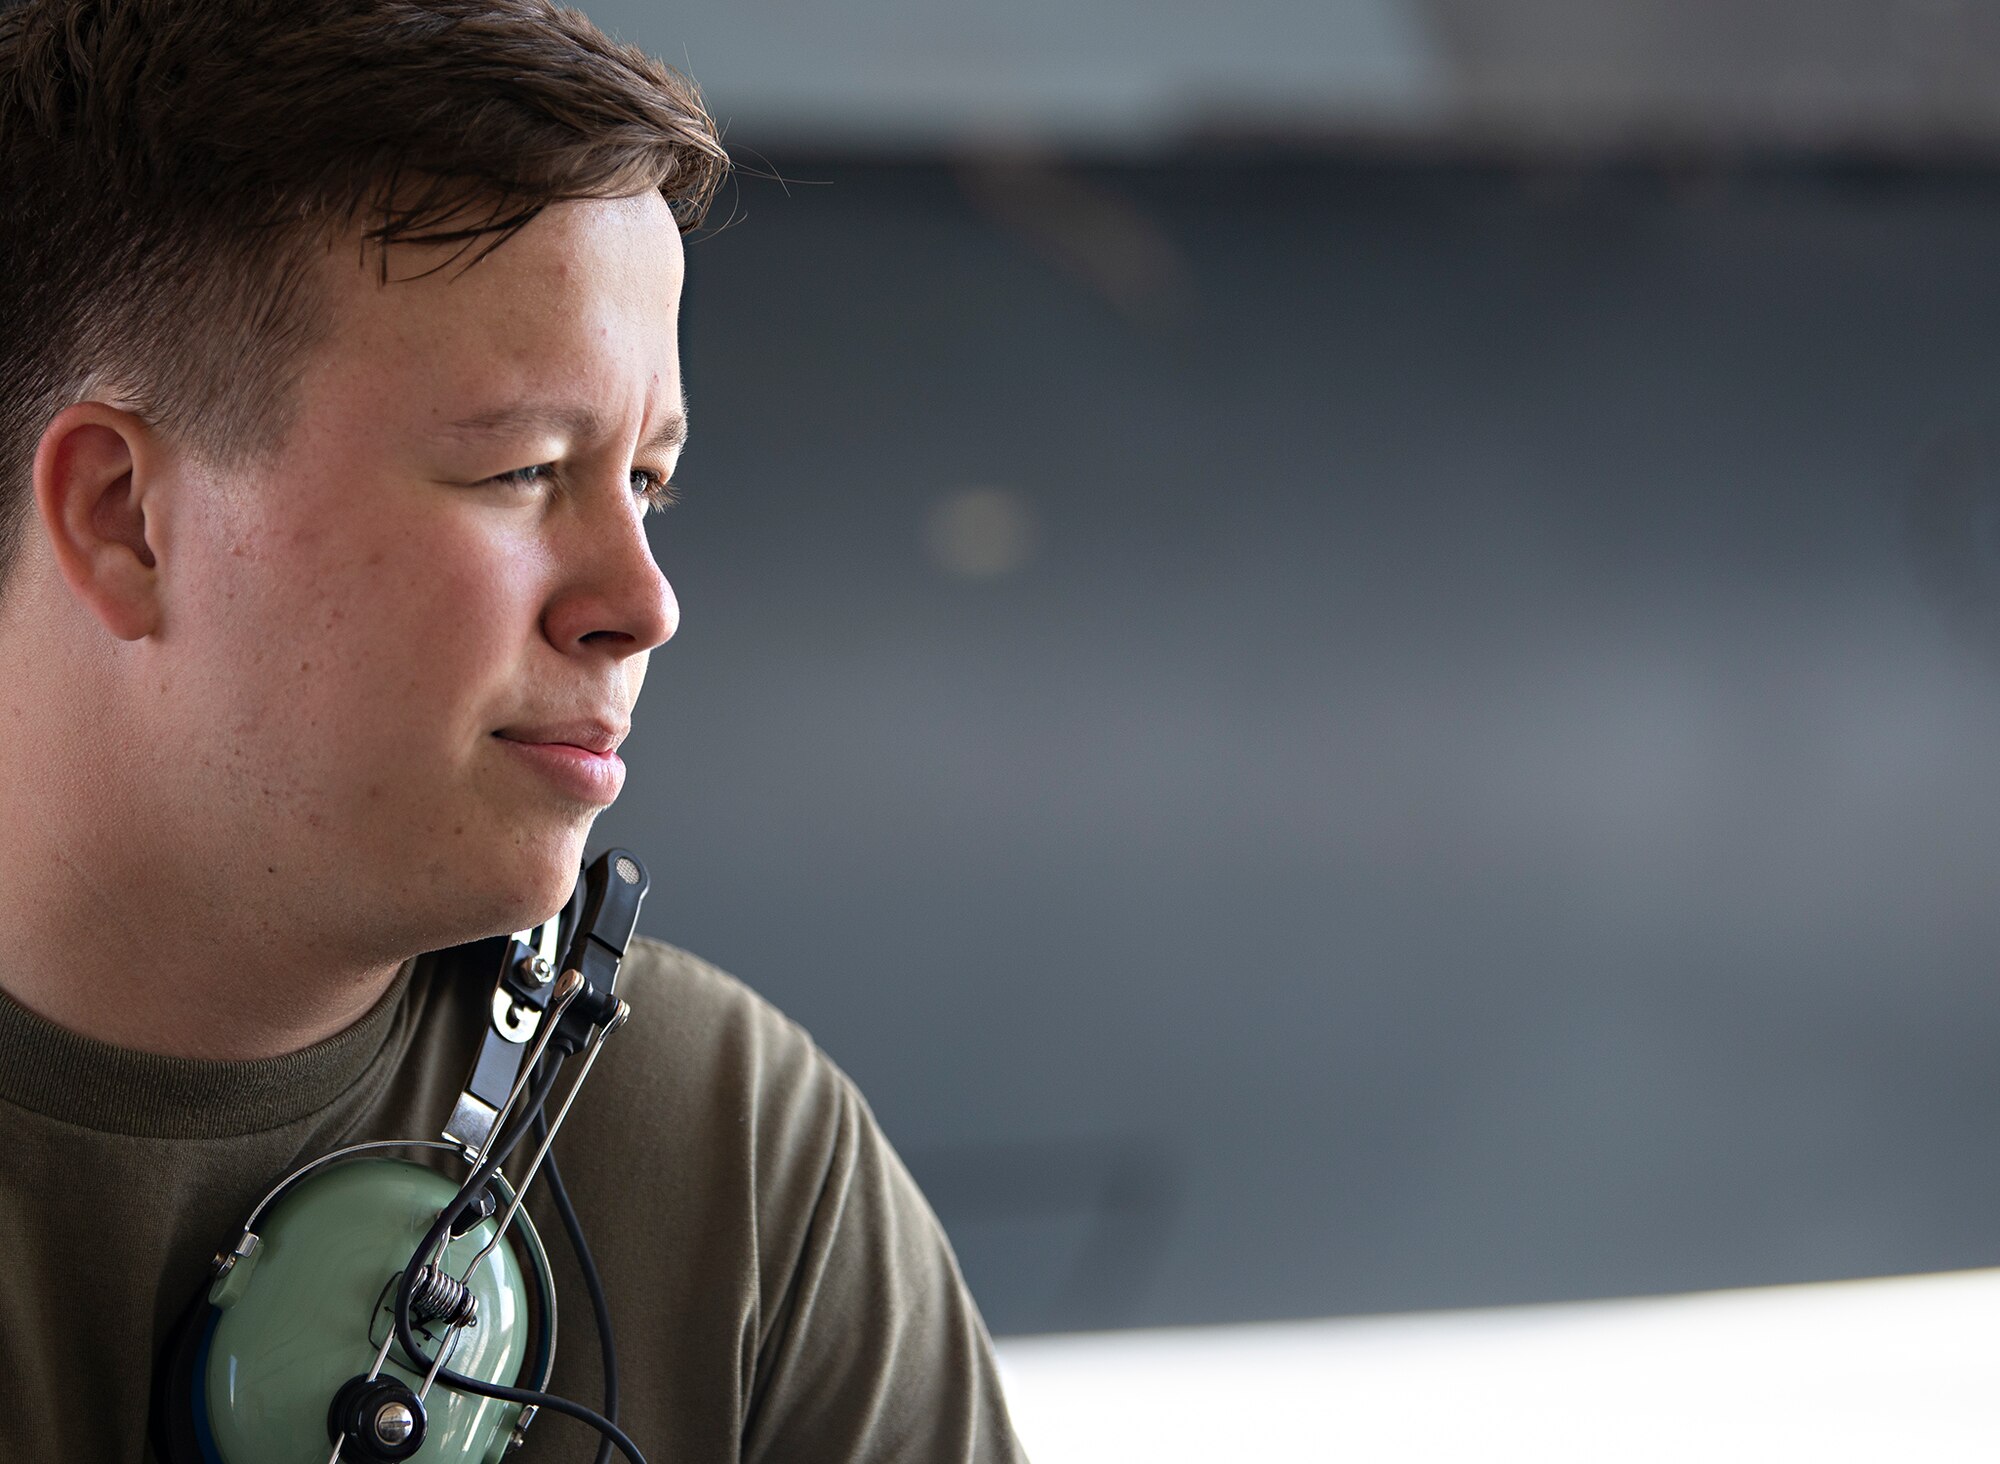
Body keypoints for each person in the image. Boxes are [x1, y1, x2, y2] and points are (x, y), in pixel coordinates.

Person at [0, 1, 1026, 1459]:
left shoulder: (725, 1150)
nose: (642, 603)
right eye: (526, 469)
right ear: (123, 518)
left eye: (650, 482)